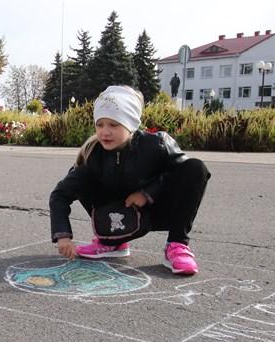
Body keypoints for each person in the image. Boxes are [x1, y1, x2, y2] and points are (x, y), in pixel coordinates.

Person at [49, 85, 210, 275]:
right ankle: (112, 241)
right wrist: (63, 236)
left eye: (114, 125)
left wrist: (147, 193)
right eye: (100, 124)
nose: (105, 132)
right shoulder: (92, 154)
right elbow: (60, 195)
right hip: (117, 216)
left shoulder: (156, 144)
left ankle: (177, 245)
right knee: (80, 178)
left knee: (195, 167)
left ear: (130, 124)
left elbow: (184, 174)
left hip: (156, 210)